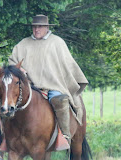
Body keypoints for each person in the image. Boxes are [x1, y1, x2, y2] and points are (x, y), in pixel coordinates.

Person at [8, 14, 88, 146]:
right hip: (29, 87)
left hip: (53, 86)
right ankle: (6, 137)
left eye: (40, 27)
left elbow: (67, 64)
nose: (36, 30)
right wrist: (20, 69)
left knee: (60, 101)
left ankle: (65, 135)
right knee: (6, 103)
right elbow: (12, 62)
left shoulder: (57, 43)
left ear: (46, 27)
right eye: (34, 27)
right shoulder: (23, 44)